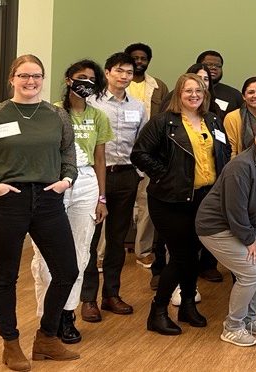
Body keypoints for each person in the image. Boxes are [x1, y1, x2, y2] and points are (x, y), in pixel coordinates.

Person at [0, 54, 80, 370]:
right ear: (12, 78)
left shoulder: (57, 116)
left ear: (44, 79)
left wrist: (67, 179)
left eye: (37, 76)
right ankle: (10, 343)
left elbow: (68, 157)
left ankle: (46, 338)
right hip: (6, 203)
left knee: (67, 270)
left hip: (48, 201)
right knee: (5, 276)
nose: (31, 82)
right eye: (24, 76)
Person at [132, 72, 231, 335]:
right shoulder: (164, 122)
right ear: (178, 93)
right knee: (181, 255)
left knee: (193, 255)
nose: (194, 95)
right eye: (188, 91)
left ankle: (188, 304)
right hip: (170, 199)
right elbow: (139, 154)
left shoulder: (213, 120)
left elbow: (224, 152)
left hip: (205, 198)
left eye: (198, 91)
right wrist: (164, 173)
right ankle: (158, 310)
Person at [28, 59, 111, 345]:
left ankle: (67, 314)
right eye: (80, 77)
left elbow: (100, 158)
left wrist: (102, 197)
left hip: (86, 182)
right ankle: (46, 316)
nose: (85, 83)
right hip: (52, 182)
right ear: (67, 80)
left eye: (91, 79)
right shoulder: (50, 111)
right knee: (45, 256)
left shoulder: (98, 116)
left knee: (79, 254)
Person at [196, 120, 256, 347]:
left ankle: (249, 318)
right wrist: (249, 240)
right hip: (216, 227)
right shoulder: (240, 166)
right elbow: (234, 210)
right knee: (250, 269)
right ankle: (233, 326)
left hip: (250, 227)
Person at [82, 53, 144, 323]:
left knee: (118, 240)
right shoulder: (91, 102)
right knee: (91, 240)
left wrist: (138, 173)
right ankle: (87, 299)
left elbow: (141, 143)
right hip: (96, 176)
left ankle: (111, 295)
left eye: (129, 72)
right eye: (119, 71)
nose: (124, 76)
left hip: (126, 176)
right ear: (107, 73)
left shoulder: (139, 106)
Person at [124, 42, 168, 270]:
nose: (139, 61)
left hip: (149, 154)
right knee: (114, 205)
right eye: (135, 58)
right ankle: (102, 254)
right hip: (121, 154)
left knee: (146, 206)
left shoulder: (158, 86)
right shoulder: (119, 84)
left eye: (143, 58)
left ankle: (143, 251)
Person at [224, 76, 256, 159]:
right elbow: (231, 151)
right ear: (244, 96)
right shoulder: (232, 118)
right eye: (251, 92)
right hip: (242, 166)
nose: (255, 96)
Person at [197, 50, 243, 114]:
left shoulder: (234, 95)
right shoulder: (187, 92)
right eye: (209, 64)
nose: (213, 67)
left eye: (218, 66)